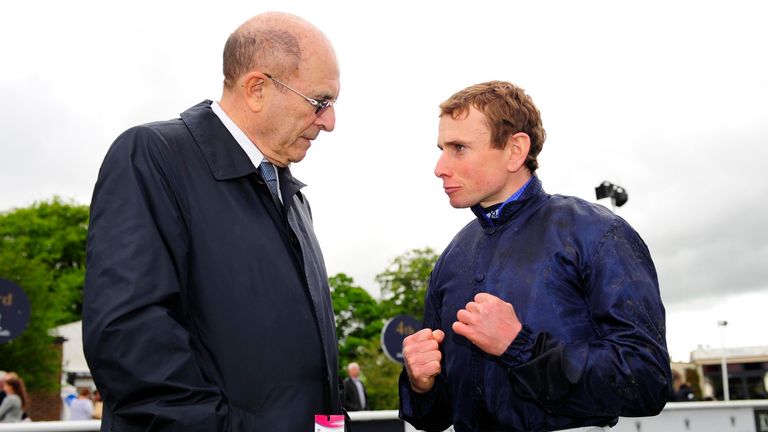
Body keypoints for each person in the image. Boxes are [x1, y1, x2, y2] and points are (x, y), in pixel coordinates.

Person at [83, 11, 342, 432]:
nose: (329, 122)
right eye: (320, 102)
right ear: (257, 89)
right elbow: (129, 342)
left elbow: (314, 369)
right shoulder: (153, 156)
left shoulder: (294, 201)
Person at [399, 81, 672, 431]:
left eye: (459, 148)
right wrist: (421, 384)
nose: (440, 167)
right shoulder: (453, 256)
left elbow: (648, 382)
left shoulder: (597, 233)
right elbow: (434, 417)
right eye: (442, 148)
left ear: (515, 150)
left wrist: (520, 346)